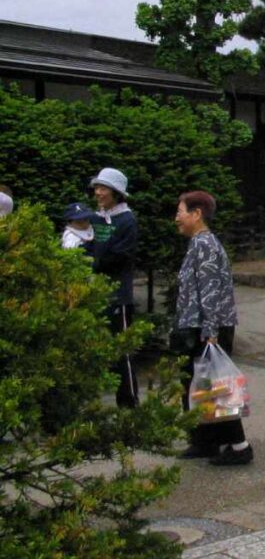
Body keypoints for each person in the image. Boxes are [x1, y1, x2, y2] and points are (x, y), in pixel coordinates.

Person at [171, 190, 253, 465]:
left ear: (197, 214)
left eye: (180, 212)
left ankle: (240, 447)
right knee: (200, 386)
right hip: (200, 326)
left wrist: (210, 333)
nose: (176, 218)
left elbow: (210, 291)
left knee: (216, 387)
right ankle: (206, 442)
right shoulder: (198, 243)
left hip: (205, 328)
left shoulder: (204, 244)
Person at [89, 167, 139, 409]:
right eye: (97, 187)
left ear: (117, 193)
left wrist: (95, 262)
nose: (98, 192)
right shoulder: (95, 217)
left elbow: (120, 256)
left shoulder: (126, 220)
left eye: (103, 188)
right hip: (94, 292)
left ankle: (128, 402)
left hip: (118, 296)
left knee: (122, 351)